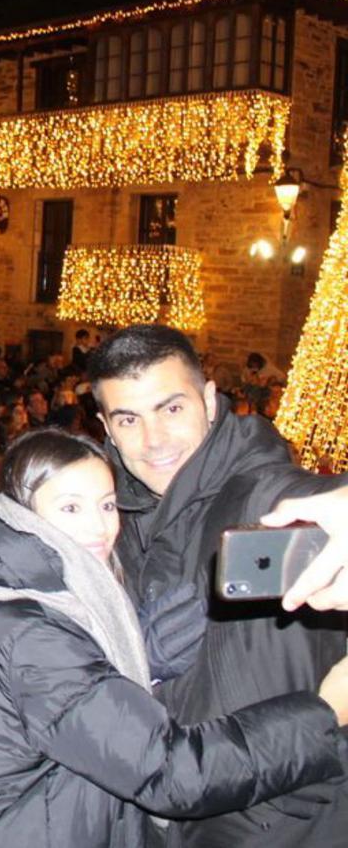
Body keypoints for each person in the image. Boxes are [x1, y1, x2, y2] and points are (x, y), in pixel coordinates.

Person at [0, 428, 348, 848]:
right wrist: (323, 712)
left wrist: (135, 661)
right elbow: (172, 772)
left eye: (107, 505)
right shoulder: (27, 633)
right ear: (24, 514)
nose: (99, 529)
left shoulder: (53, 597)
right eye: (71, 508)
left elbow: (68, 715)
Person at [89, 324, 348, 846]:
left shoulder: (260, 498)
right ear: (106, 428)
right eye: (129, 419)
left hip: (284, 822)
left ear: (209, 400)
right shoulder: (113, 522)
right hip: (175, 820)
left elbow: (315, 499)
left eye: (172, 408)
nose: (154, 439)